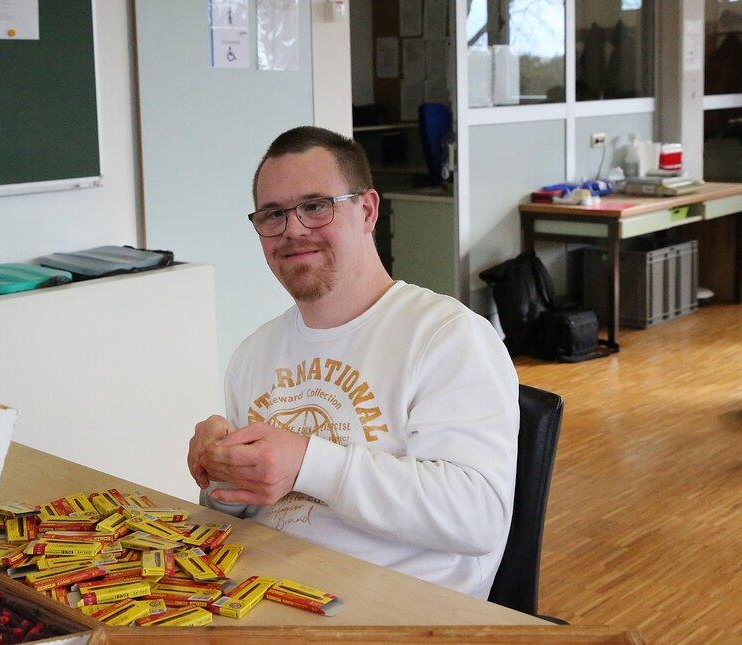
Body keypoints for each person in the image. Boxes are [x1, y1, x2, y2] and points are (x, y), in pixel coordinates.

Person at [187, 126, 519, 600]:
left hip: (401, 620)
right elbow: (246, 513)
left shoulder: (447, 337)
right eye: (273, 214)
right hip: (265, 599)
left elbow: (477, 516)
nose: (294, 229)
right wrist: (221, 472)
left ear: (367, 210)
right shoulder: (253, 353)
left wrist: (307, 461)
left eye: (316, 206)